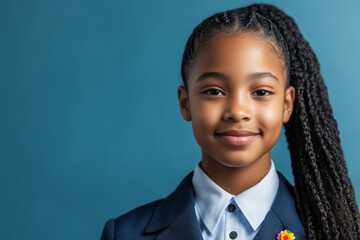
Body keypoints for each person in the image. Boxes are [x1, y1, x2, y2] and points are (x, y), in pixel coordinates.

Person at [100, 3, 360, 240]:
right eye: (214, 91)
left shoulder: (331, 232)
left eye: (261, 92)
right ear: (185, 103)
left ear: (286, 104)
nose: (237, 111)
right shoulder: (123, 234)